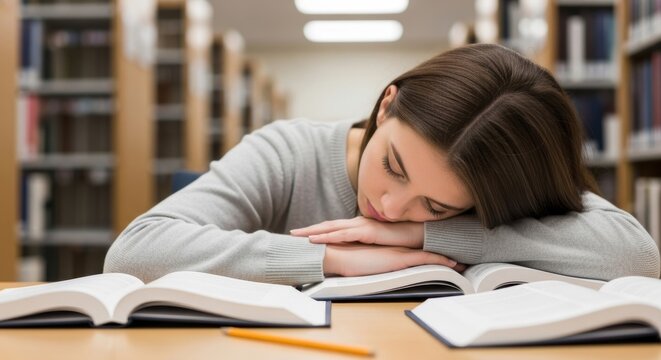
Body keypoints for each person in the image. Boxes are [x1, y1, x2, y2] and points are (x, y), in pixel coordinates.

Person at [104, 44, 660, 285]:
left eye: (437, 202)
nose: (390, 207)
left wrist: (430, 236)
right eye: (394, 166)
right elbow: (135, 251)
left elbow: (636, 256)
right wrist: (330, 258)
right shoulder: (288, 151)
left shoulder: (501, 182)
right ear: (386, 103)